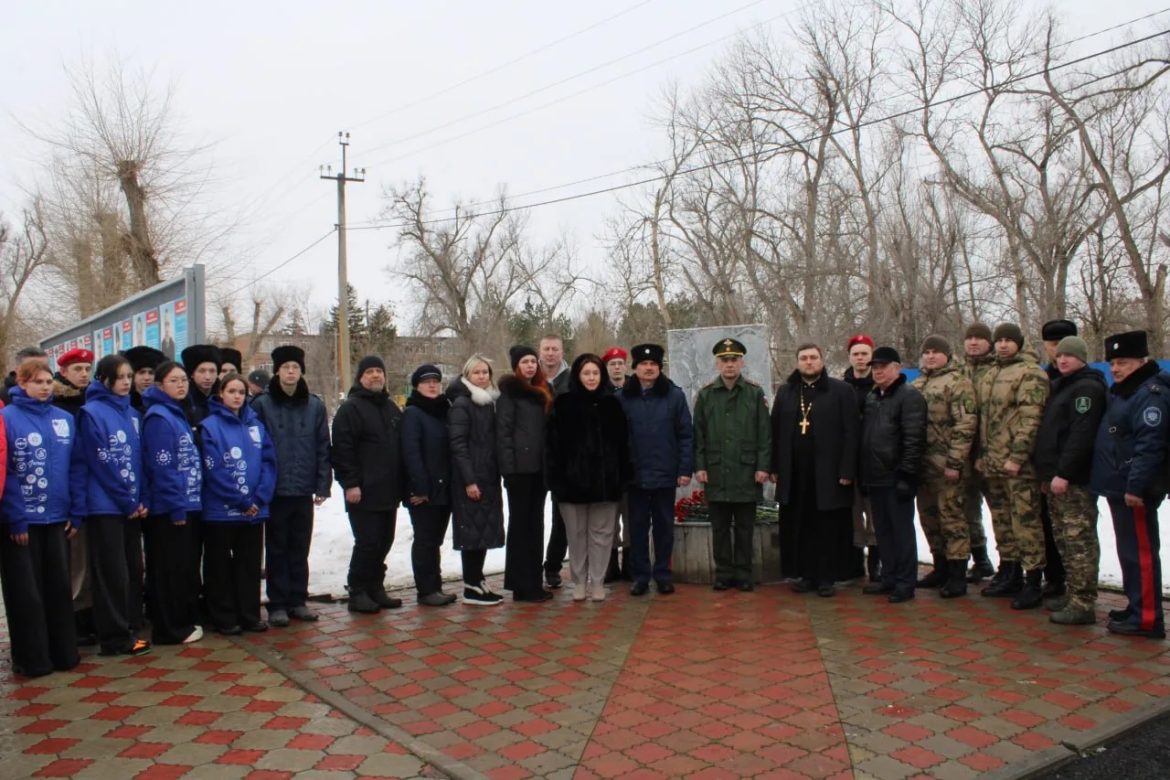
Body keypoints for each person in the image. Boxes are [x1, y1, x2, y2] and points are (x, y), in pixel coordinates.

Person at [0, 359, 84, 677]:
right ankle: (32, 658)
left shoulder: (64, 419)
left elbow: (76, 466)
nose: (45, 387)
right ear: (21, 383)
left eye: (49, 381)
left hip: (58, 518)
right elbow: (5, 471)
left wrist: (76, 512)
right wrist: (15, 517)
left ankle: (64, 653)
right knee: (27, 594)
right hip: (21, 522)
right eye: (37, 381)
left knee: (58, 590)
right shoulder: (6, 418)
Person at [1090, 331, 1170, 638]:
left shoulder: (1150, 395)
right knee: (1129, 551)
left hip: (1135, 490)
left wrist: (1136, 487)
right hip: (1119, 484)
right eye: (1112, 362)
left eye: (1123, 362)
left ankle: (1148, 618)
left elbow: (1150, 446)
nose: (1116, 368)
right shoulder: (1125, 390)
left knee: (1141, 553)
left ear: (1142, 360)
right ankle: (1137, 605)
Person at [250, 345, 331, 627]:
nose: (291, 372)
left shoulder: (315, 405)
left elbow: (323, 446)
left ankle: (298, 600)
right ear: (277, 371)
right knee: (277, 548)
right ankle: (278, 603)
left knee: (299, 547)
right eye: (285, 367)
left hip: (303, 488)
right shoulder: (261, 405)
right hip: (274, 490)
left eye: (295, 367)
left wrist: (323, 483)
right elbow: (255, 448)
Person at [771, 343, 858, 596]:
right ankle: (806, 574)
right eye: (804, 358)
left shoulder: (841, 390)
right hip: (795, 473)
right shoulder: (787, 392)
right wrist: (775, 466)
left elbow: (851, 433)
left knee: (827, 526)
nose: (809, 362)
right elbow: (775, 431)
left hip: (829, 473)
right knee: (801, 524)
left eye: (813, 358)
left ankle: (827, 577)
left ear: (822, 360)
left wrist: (847, 469)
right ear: (797, 362)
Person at [78, 354, 150, 656]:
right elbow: (100, 461)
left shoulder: (133, 413)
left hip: (132, 505)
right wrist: (127, 500)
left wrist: (141, 498)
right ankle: (113, 637)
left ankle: (130, 627)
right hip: (106, 506)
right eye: (119, 377)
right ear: (104, 380)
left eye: (128, 376)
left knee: (134, 569)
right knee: (112, 573)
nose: (125, 382)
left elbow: (140, 458)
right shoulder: (91, 413)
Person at [546, 353, 631, 601]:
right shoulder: (563, 404)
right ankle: (579, 581)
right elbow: (551, 447)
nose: (591, 378)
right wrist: (556, 480)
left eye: (595, 373)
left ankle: (598, 581)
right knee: (576, 535)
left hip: (606, 486)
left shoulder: (612, 405)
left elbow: (624, 445)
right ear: (578, 376)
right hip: (571, 486)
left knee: (602, 535)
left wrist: (622, 477)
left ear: (601, 375)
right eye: (586, 373)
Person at [1034, 336, 1106, 626]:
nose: (1062, 360)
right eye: (1059, 355)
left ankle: (1083, 601)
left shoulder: (1087, 388)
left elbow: (1081, 436)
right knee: (1064, 538)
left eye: (1069, 356)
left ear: (1082, 358)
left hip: (1073, 480)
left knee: (1079, 541)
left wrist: (1064, 473)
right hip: (1054, 479)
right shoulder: (1062, 385)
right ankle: (1072, 592)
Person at [976, 323, 1050, 608]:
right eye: (999, 340)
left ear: (1019, 343)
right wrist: (983, 455)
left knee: (1025, 522)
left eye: (1009, 340)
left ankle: (1034, 580)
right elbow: (984, 419)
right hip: (993, 462)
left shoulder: (1030, 373)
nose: (1003, 345)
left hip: (1018, 465)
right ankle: (1010, 572)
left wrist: (1017, 456)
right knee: (1002, 521)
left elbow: (1031, 419)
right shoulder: (990, 373)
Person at [198, 372, 277, 634]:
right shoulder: (209, 426)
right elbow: (213, 469)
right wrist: (239, 500)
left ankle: (249, 614)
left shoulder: (256, 425)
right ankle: (224, 617)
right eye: (231, 391)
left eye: (241, 392)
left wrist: (259, 497)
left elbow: (269, 462)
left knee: (249, 566)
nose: (236, 396)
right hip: (222, 511)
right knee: (220, 567)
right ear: (221, 393)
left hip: (254, 511)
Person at [693, 338, 771, 592]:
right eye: (724, 360)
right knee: (720, 529)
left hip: (747, 471)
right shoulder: (705, 395)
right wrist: (700, 465)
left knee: (746, 528)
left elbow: (764, 434)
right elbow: (699, 435)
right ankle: (724, 573)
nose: (729, 364)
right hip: (716, 472)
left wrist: (763, 466)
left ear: (742, 362)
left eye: (734, 360)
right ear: (717, 363)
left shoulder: (754, 393)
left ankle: (744, 573)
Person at [331, 355, 406, 613]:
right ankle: (358, 589)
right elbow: (342, 450)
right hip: (363, 491)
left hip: (389, 490)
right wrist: (350, 484)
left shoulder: (391, 408)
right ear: (360, 377)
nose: (376, 375)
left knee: (385, 541)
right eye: (370, 371)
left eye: (379, 371)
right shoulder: (350, 409)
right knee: (368, 542)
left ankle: (376, 587)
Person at [620, 343, 693, 596]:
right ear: (636, 368)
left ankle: (663, 574)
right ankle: (640, 576)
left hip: (665, 473)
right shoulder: (622, 397)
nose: (648, 368)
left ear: (660, 368)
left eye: (653, 365)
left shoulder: (674, 396)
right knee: (637, 529)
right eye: (643, 364)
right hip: (635, 476)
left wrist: (685, 469)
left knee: (663, 528)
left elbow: (685, 435)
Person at [141, 361, 203, 645]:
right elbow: (162, 467)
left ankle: (180, 621)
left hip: (186, 503)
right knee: (169, 570)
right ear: (159, 386)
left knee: (182, 568)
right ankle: (170, 629)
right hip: (169, 509)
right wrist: (176, 505)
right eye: (173, 381)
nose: (181, 385)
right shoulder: (159, 417)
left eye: (183, 380)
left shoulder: (176, 413)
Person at [909, 336, 977, 598]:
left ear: (947, 355)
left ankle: (958, 574)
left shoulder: (958, 383)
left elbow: (965, 425)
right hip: (922, 467)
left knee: (953, 520)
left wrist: (955, 462)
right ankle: (940, 567)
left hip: (947, 466)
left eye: (936, 352)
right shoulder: (916, 384)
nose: (930, 356)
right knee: (929, 519)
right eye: (926, 352)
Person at [859, 348, 927, 603]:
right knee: (883, 532)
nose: (877, 371)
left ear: (897, 368)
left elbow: (914, 439)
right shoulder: (873, 397)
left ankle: (905, 582)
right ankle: (889, 577)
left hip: (896, 476)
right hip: (875, 476)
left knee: (901, 532)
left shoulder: (909, 397)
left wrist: (907, 475)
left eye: (883, 366)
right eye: (874, 367)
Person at [447, 354, 505, 606]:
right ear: (467, 375)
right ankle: (471, 585)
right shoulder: (463, 403)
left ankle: (477, 579)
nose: (482, 376)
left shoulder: (488, 402)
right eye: (477, 372)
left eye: (485, 372)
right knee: (471, 532)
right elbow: (458, 445)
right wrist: (469, 480)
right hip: (470, 480)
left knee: (482, 530)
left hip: (488, 477)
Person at [497, 345, 554, 602]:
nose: (530, 366)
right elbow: (504, 434)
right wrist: (509, 471)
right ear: (516, 367)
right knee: (521, 527)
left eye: (533, 361)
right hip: (519, 471)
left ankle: (533, 581)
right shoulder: (511, 394)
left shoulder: (544, 391)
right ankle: (521, 584)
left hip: (539, 470)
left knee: (536, 525)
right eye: (525, 362)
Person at [402, 364, 457, 607]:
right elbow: (411, 453)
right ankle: (426, 590)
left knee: (435, 540)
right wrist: (419, 488)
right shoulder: (413, 413)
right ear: (417, 386)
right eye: (427, 382)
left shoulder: (443, 411)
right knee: (425, 540)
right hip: (424, 492)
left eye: (436, 381)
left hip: (444, 488)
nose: (432, 385)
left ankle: (435, 585)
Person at [53, 347, 95, 645]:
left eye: (86, 368)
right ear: (64, 372)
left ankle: (87, 614)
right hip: (65, 493)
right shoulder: (58, 405)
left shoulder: (91, 401)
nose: (83, 374)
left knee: (88, 560)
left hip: (92, 491)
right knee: (73, 562)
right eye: (77, 369)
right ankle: (72, 617)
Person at [1037, 319, 1078, 600]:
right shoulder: (1041, 378)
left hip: (1071, 470)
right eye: (1053, 346)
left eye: (1064, 347)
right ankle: (1053, 578)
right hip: (1044, 466)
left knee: (1074, 532)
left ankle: (1077, 586)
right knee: (1046, 524)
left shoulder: (1083, 381)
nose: (1058, 353)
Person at [961, 323, 997, 582]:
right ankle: (980, 558)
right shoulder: (958, 372)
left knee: (1002, 514)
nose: (974, 342)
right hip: (964, 455)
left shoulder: (998, 371)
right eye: (970, 338)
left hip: (994, 455)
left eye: (980, 338)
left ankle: (1010, 564)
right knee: (967, 510)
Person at [842, 334, 877, 581]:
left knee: (874, 517)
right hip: (849, 462)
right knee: (852, 517)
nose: (860, 358)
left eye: (864, 353)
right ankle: (854, 566)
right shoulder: (841, 387)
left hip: (875, 462)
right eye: (856, 353)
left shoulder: (881, 384)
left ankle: (876, 566)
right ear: (849, 357)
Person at [539, 333, 570, 589]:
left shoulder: (571, 380)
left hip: (563, 460)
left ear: (562, 352)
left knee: (562, 518)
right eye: (547, 349)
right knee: (531, 518)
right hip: (534, 460)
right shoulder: (529, 377)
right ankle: (528, 566)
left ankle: (552, 566)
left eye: (555, 349)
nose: (550, 353)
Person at [601, 346, 631, 582]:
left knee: (630, 517)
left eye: (620, 363)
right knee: (610, 519)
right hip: (607, 467)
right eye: (612, 364)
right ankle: (610, 565)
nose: (617, 367)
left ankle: (630, 563)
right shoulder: (600, 392)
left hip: (630, 464)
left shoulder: (635, 389)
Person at [181, 344, 221, 425]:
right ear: (192, 374)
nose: (207, 377)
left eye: (212, 371)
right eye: (202, 371)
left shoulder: (224, 398)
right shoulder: (183, 400)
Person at [122, 346, 167, 414]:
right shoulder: (124, 403)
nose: (146, 378)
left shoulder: (164, 402)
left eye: (151, 373)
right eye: (141, 372)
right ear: (132, 376)